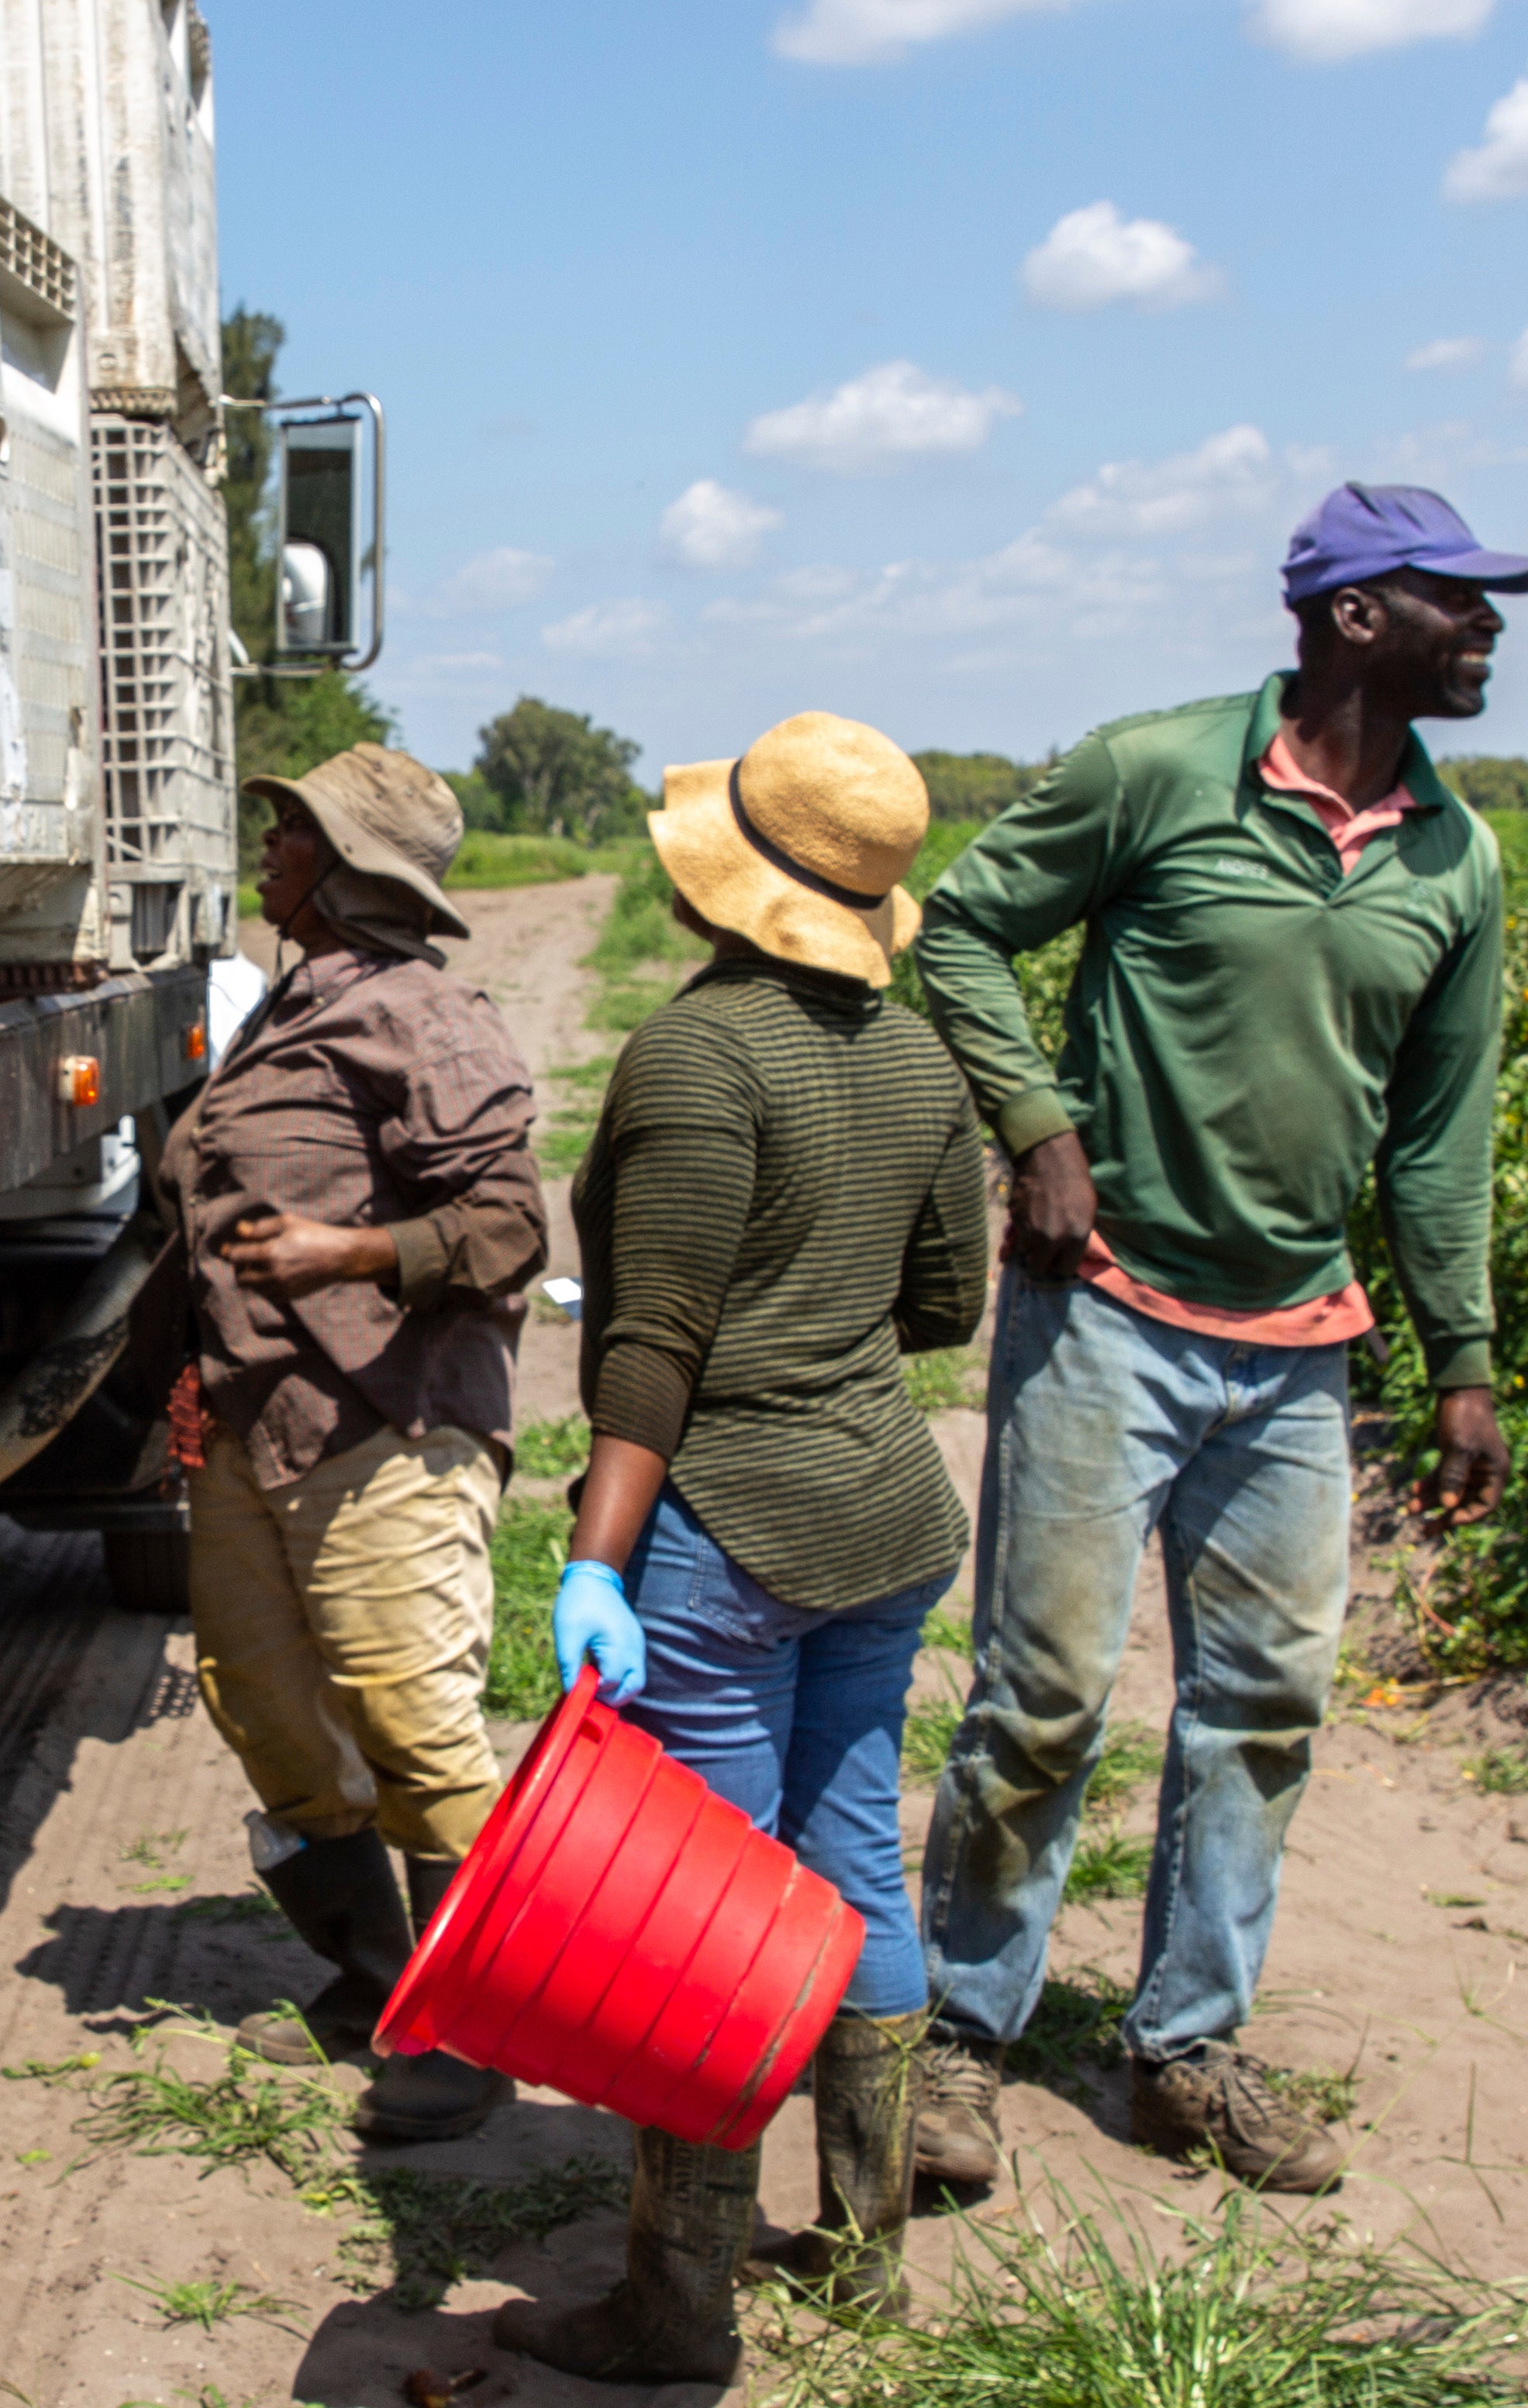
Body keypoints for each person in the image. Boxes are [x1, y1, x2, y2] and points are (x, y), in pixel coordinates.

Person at [911, 482, 1528, 2200]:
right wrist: (1037, 1129)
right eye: (1458, 600)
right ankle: (955, 2040)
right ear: (1351, 614)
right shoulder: (1157, 774)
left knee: (1262, 1708)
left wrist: (1462, 1359)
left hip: (1296, 1351)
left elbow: (1440, 1136)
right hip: (1107, 1311)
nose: (1492, 629)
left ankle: (1186, 2048)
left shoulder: (1453, 857)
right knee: (1041, 1702)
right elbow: (957, 928)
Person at [495, 714, 991, 2387]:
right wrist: (826, 1309)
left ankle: (674, 2308)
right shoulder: (921, 1061)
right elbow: (945, 1305)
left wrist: (596, 1554)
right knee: (855, 1866)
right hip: (887, 1514)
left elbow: (657, 1345)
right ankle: (862, 2262)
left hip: (730, 1526)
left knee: (701, 1926)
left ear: (732, 883)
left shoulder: (703, 1058)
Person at [160, 742, 548, 2144]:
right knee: (264, 1709)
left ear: (346, 869)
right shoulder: (288, 1009)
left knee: (412, 1726)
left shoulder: (418, 1014)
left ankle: (472, 2032)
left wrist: (354, 1247)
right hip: (256, 1427)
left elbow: (511, 1226)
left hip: (386, 1424)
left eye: (292, 833)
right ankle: (381, 1984)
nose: (267, 850)